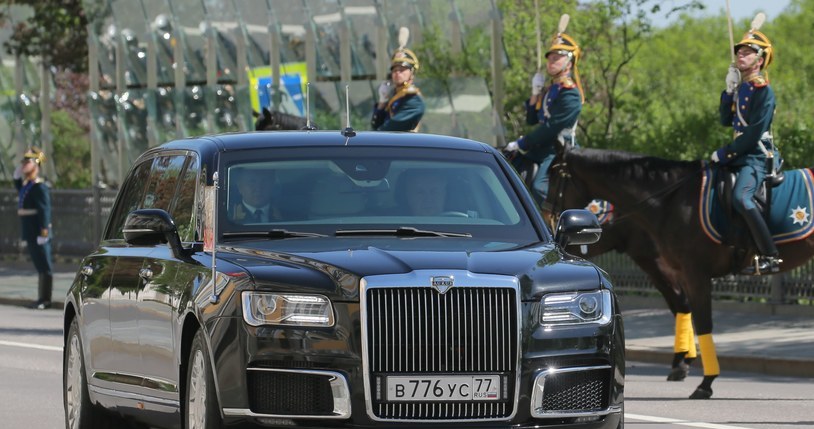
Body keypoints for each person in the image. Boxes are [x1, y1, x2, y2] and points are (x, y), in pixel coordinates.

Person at [710, 28, 780, 275]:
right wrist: (728, 92)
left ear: (759, 61)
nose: (741, 54)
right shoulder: (742, 88)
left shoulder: (764, 91)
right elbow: (724, 121)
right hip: (741, 154)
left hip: (757, 156)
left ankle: (770, 255)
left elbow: (752, 134)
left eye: (748, 52)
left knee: (741, 197)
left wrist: (726, 152)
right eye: (739, 51)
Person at [504, 23, 584, 207]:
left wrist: (521, 143)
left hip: (559, 149)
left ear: (569, 62)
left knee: (541, 188)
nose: (551, 62)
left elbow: (552, 128)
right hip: (541, 148)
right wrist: (535, 92)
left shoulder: (570, 94)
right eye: (550, 58)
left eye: (557, 58)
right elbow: (532, 119)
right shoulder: (551, 89)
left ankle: (554, 228)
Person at [13, 147, 53, 310]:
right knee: (39, 265)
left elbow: (45, 210)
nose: (23, 165)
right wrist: (16, 175)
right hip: (30, 231)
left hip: (38, 231)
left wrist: (44, 231)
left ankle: (46, 299)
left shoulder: (39, 187)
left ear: (36, 165)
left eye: (27, 162)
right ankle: (40, 298)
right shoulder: (28, 185)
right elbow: (21, 190)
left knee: (45, 266)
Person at [371, 31, 425, 132]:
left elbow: (386, 130)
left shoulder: (415, 101)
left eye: (402, 70)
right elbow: (375, 124)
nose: (397, 73)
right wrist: (382, 101)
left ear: (412, 73)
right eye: (395, 70)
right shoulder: (394, 95)